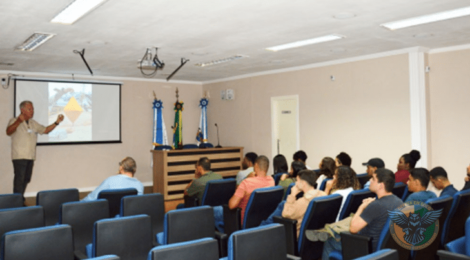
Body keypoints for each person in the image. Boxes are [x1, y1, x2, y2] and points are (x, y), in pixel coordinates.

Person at [319, 168, 403, 259]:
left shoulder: (376, 205)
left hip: (366, 247)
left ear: (381, 185)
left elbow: (353, 229)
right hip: (384, 249)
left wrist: (361, 207)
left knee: (329, 241)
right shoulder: (398, 201)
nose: (370, 180)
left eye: (373, 179)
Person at [6, 100, 64, 199]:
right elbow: (8, 131)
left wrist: (57, 122)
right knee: (19, 180)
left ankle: (19, 199)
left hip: (30, 156)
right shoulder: (14, 120)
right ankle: (16, 203)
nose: (32, 111)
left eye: (32, 109)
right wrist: (18, 121)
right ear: (22, 110)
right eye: (29, 109)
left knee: (26, 179)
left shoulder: (33, 123)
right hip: (19, 156)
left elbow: (45, 130)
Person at [213, 155, 275, 231]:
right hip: (260, 220)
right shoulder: (271, 180)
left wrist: (246, 179)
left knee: (214, 210)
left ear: (255, 165)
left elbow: (231, 205)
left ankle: (225, 238)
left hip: (241, 220)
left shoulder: (246, 182)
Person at [282, 170, 327, 237]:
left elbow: (285, 214)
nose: (295, 183)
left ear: (303, 183)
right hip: (316, 233)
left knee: (282, 205)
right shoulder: (323, 195)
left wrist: (292, 195)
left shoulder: (303, 202)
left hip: (297, 234)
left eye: (297, 180)